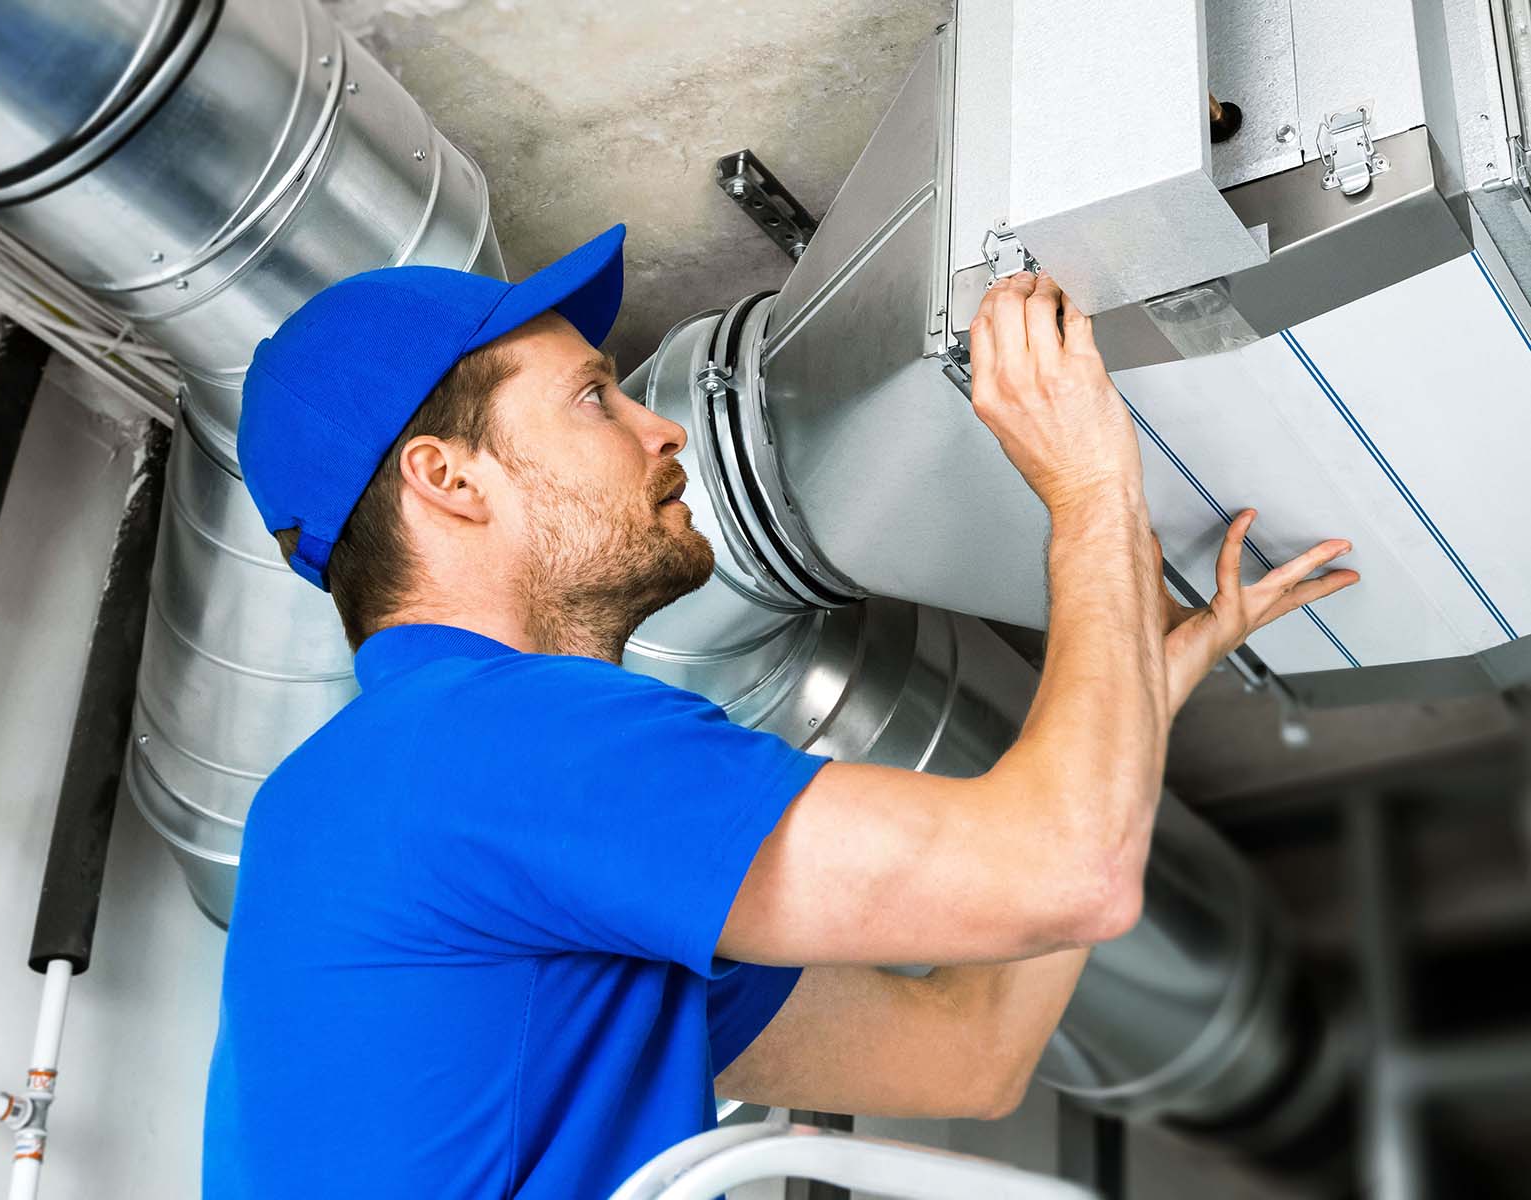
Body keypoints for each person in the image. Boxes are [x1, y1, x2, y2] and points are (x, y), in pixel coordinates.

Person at [202, 225, 1358, 1198]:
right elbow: (1069, 877)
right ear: (447, 480)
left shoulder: (387, 797)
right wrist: (1090, 487)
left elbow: (972, 1052)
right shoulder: (488, 747)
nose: (658, 428)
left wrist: (1137, 694)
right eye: (592, 398)